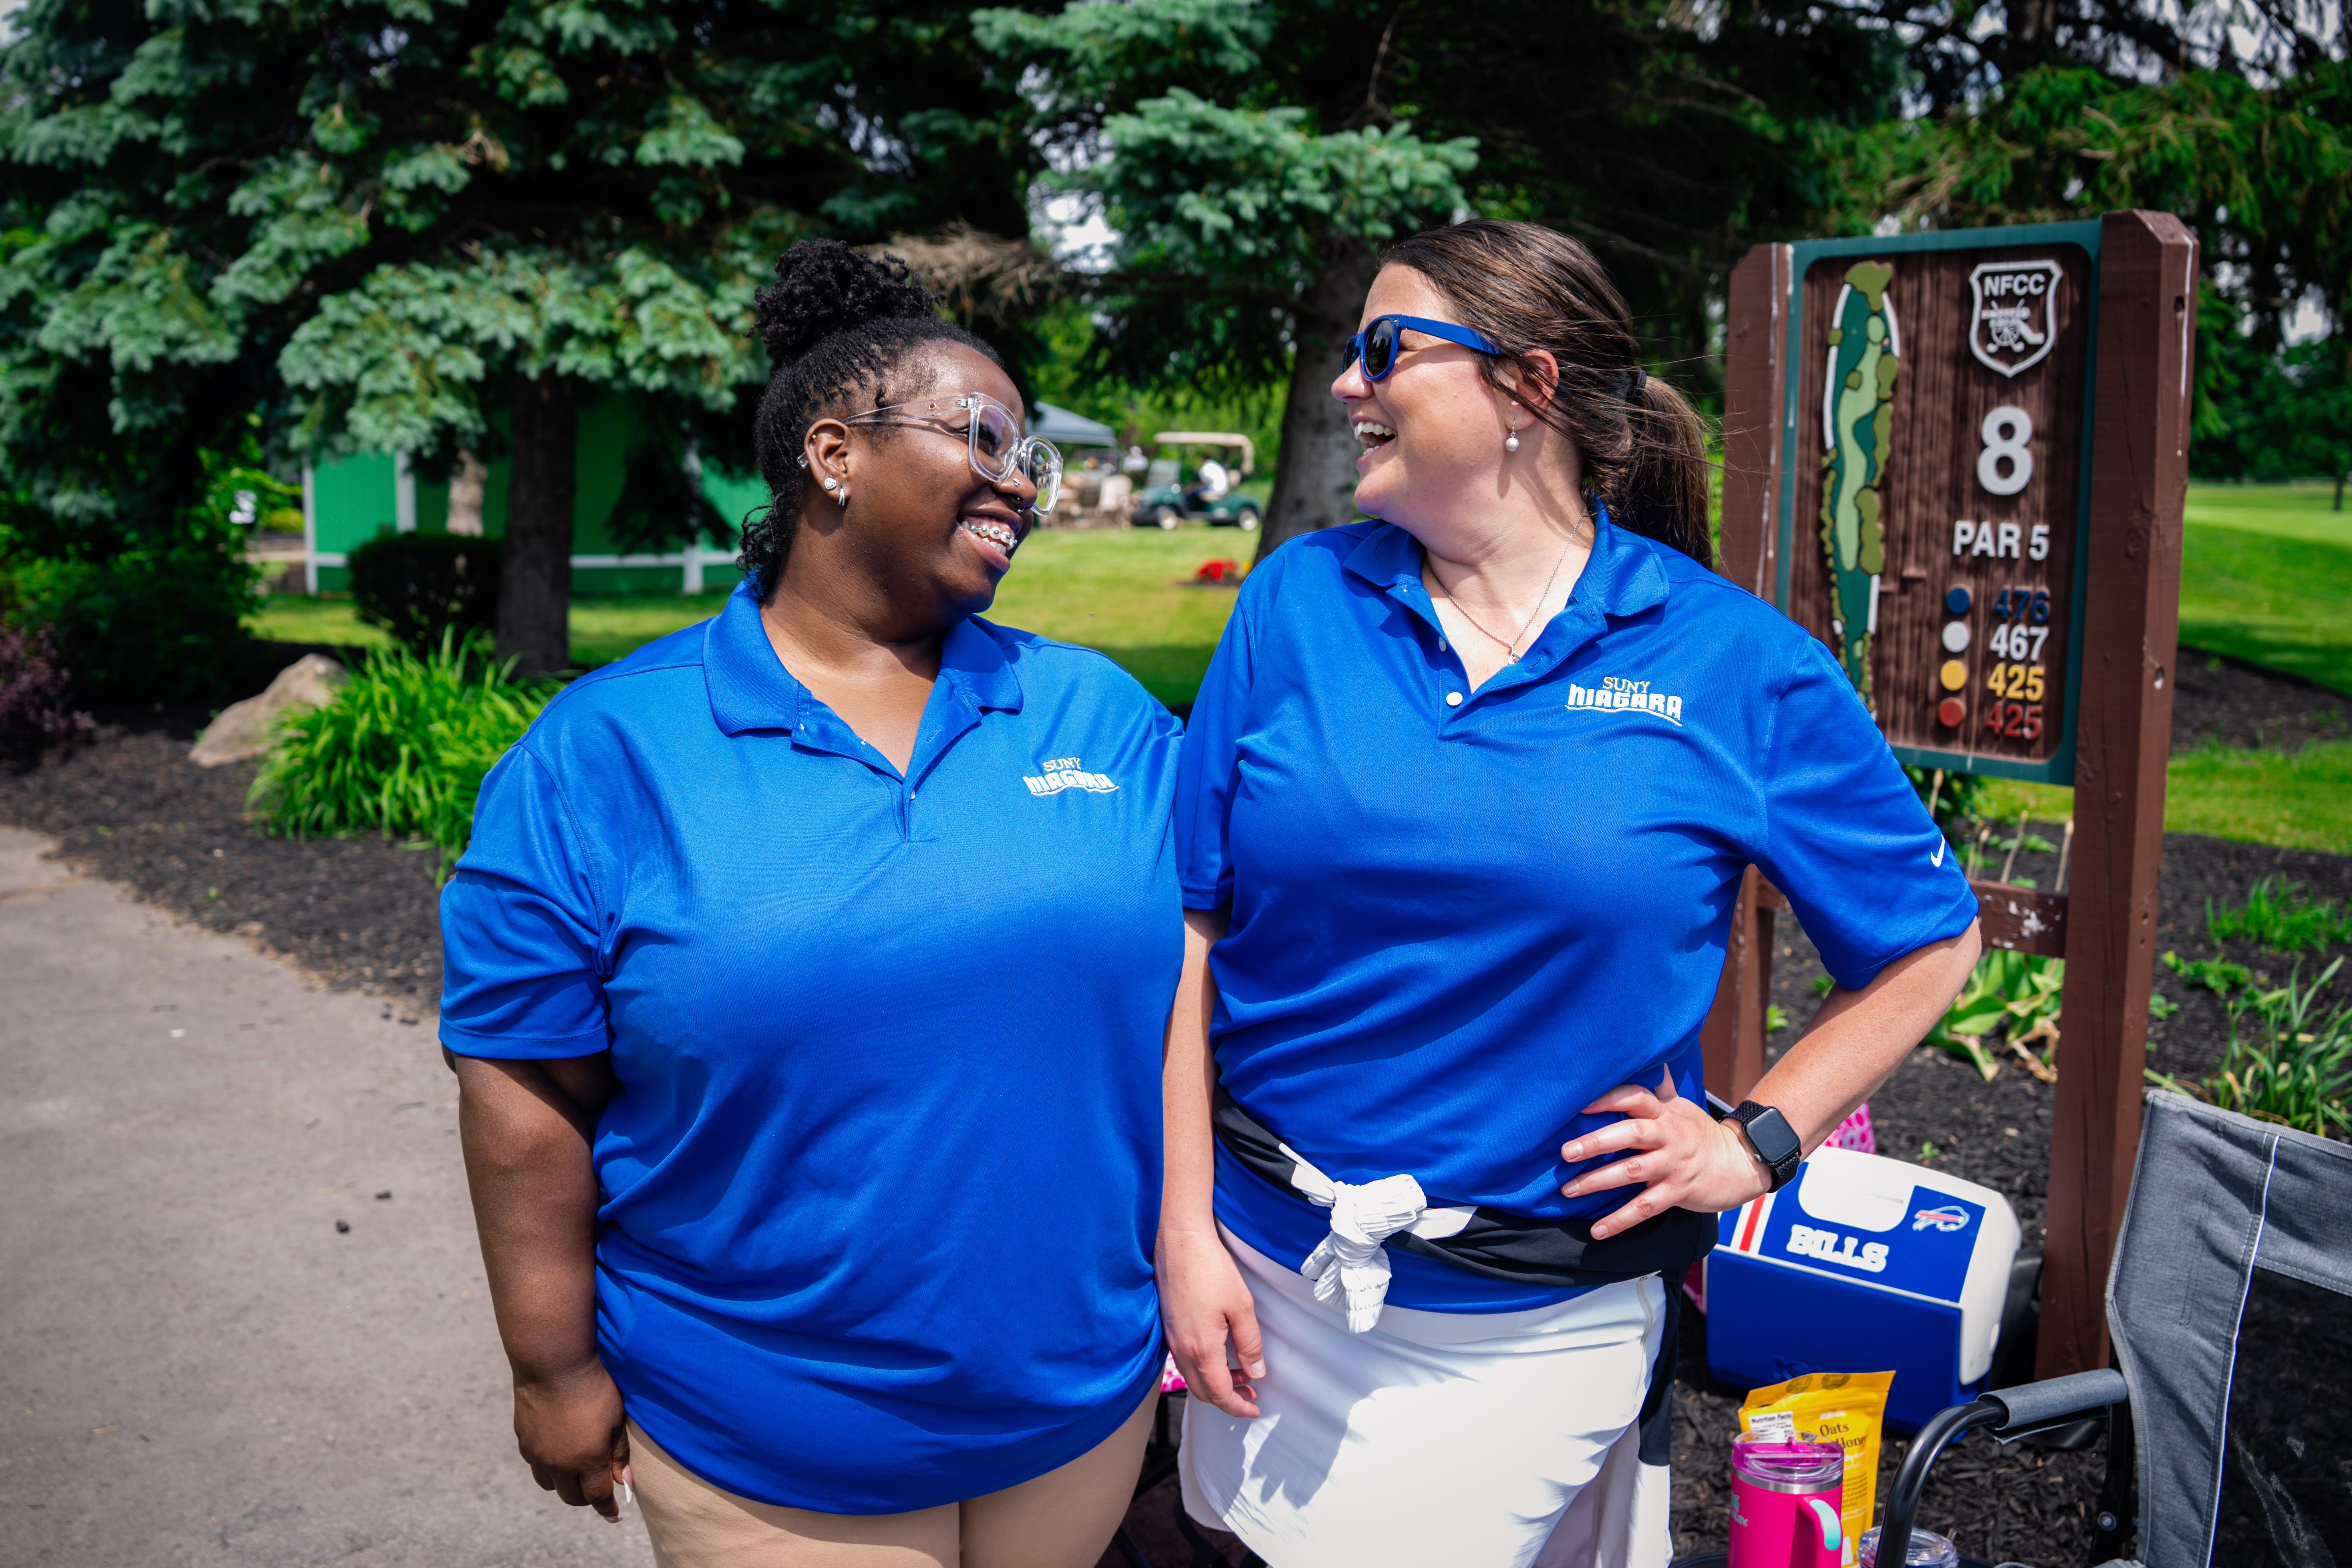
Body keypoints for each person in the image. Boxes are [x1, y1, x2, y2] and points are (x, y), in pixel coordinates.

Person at [1160, 218, 1985, 1568]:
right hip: (1261, 1274)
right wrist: (1184, 1233)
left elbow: (1929, 941)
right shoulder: (1295, 603)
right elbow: (1191, 932)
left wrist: (1752, 1147)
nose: (1346, 387)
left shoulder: (1734, 665)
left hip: (1535, 1326)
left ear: (1527, 390)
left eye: (1386, 352)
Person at [439, 241, 1182, 1568]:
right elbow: (524, 1085)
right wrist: (550, 1366)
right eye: (988, 435)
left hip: (1075, 1407)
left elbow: (1211, 963)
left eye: (1036, 457)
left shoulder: (1102, 715)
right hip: (769, 1435)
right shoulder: (607, 752)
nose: (1023, 478)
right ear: (834, 454)